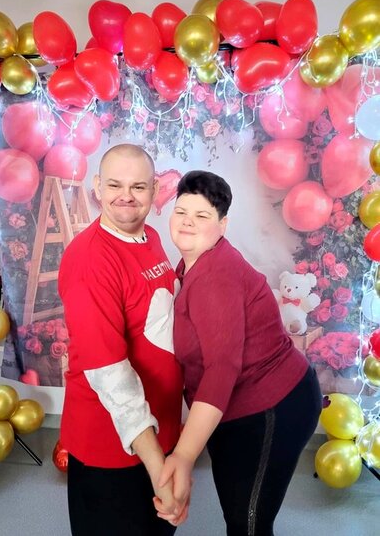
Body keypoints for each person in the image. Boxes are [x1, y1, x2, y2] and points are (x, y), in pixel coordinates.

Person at [157, 170, 322, 536]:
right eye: (181, 211)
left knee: (248, 523)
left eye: (201, 215)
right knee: (238, 514)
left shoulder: (215, 276)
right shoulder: (193, 263)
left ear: (222, 225)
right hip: (234, 408)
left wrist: (184, 455)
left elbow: (221, 368)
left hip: (273, 405)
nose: (187, 222)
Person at [58, 144, 185, 536]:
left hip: (161, 430)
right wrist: (158, 470)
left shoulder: (150, 237)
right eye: (115, 185)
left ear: (154, 190)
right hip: (111, 448)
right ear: (97, 186)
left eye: (138, 187)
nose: (126, 196)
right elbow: (110, 374)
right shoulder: (90, 260)